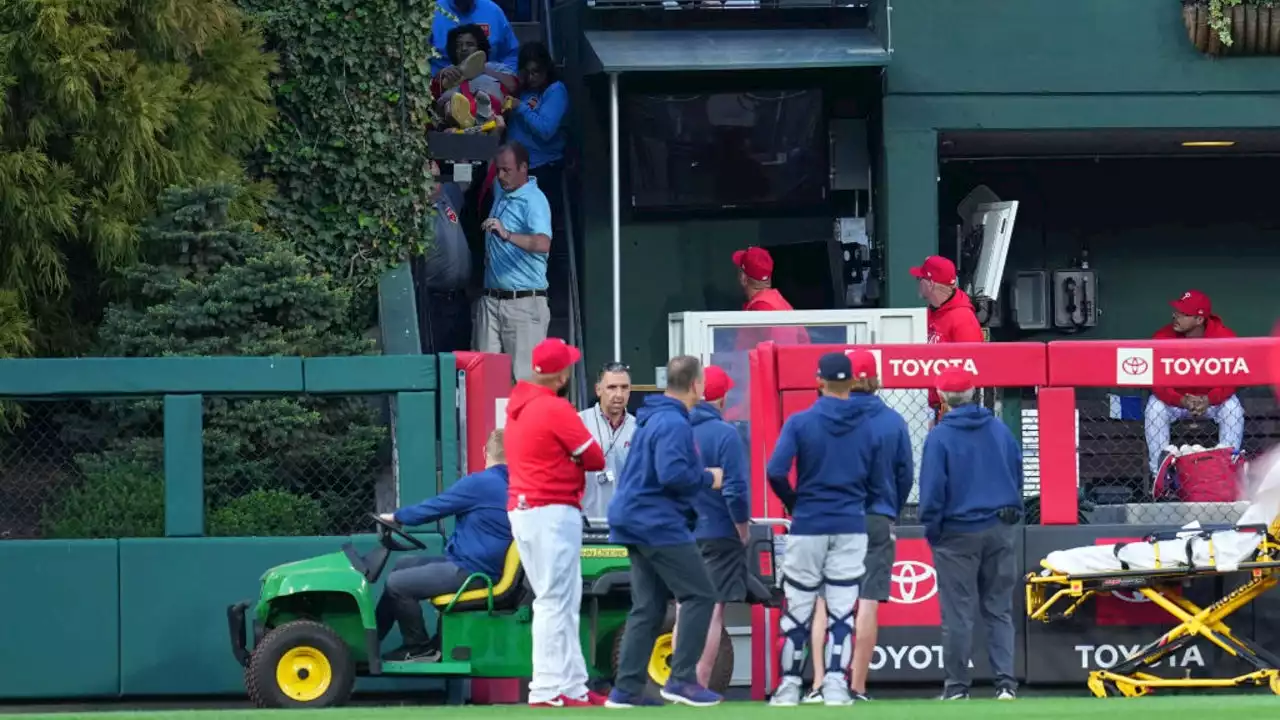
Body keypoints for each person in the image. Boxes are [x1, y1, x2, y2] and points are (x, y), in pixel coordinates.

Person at [606, 355, 726, 709]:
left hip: (633, 519)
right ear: (696, 385)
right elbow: (672, 474)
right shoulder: (673, 423)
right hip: (656, 522)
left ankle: (626, 690)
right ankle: (683, 680)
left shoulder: (654, 417)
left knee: (649, 606)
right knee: (700, 594)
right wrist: (709, 477)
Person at [765, 351, 879, 707]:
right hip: (850, 523)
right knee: (843, 610)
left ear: (819, 380)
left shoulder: (800, 422)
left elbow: (775, 471)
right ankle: (834, 685)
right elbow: (880, 479)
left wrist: (796, 503)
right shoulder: (868, 426)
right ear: (851, 383)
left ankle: (788, 687)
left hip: (809, 523)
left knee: (798, 607)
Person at [802, 351, 914, 704]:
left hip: (830, 517)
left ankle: (820, 684)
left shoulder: (824, 418)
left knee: (823, 601)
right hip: (875, 518)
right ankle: (857, 687)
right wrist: (888, 511)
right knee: (867, 602)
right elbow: (905, 475)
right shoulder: (893, 421)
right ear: (875, 378)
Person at [503, 338, 608, 707]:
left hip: (530, 509)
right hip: (549, 510)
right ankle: (547, 689)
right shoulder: (553, 408)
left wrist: (567, 460)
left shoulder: (520, 404)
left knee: (564, 599)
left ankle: (573, 686)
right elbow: (595, 457)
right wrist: (572, 462)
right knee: (552, 600)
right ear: (561, 375)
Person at [917, 367, 1022, 701]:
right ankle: (1006, 685)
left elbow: (932, 491)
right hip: (1000, 527)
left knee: (958, 614)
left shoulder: (939, 436)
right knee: (998, 609)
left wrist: (932, 530)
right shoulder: (999, 428)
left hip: (956, 533)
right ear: (974, 392)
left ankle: (958, 688)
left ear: (944, 398)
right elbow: (1017, 474)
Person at [375, 429, 513, 662]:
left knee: (396, 584)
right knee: (403, 564)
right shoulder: (512, 485)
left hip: (474, 572)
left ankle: (418, 647)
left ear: (485, 452)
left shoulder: (480, 483)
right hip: (482, 566)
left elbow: (435, 507)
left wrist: (397, 517)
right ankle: (372, 642)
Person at [681, 364, 751, 689]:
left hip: (679, 535)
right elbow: (735, 490)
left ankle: (680, 682)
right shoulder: (726, 434)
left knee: (685, 607)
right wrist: (743, 529)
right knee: (711, 612)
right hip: (718, 533)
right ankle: (697, 686)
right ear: (722, 399)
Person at [1144, 289, 1244, 478]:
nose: (1176, 316)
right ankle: (1160, 473)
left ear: (1199, 320)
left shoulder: (1224, 337)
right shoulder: (1162, 337)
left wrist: (1209, 399)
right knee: (1154, 408)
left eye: (1184, 314)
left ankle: (1229, 467)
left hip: (1211, 403)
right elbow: (1156, 383)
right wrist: (1180, 400)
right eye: (1176, 311)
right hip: (1177, 403)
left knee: (1233, 408)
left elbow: (1233, 379)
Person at [505, 42, 572, 321]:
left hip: (544, 172)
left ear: (546, 71)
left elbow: (546, 130)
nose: (532, 77)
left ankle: (553, 299)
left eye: (537, 72)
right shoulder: (520, 91)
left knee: (546, 236)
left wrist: (520, 108)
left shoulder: (555, 91)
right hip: (514, 175)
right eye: (527, 72)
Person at [476, 142, 553, 381]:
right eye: (498, 170)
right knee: (484, 382)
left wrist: (506, 235)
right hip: (491, 301)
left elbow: (543, 244)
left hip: (523, 304)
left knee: (525, 383)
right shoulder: (503, 190)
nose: (500, 176)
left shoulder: (534, 200)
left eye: (506, 170)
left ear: (523, 168)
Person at [910, 255, 985, 417]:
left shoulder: (963, 319)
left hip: (957, 409)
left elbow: (972, 372)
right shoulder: (931, 312)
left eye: (920, 278)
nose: (917, 282)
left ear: (930, 284)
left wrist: (947, 412)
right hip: (935, 406)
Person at [415, 162, 472, 354]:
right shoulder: (415, 211)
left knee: (462, 359)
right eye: (429, 179)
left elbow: (466, 174)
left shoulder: (448, 195)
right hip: (434, 300)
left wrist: (454, 144)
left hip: (459, 299)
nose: (435, 184)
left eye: (437, 177)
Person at [578, 361, 636, 521]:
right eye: (612, 387)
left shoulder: (638, 429)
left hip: (625, 522)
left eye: (624, 388)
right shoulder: (578, 423)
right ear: (598, 390)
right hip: (585, 520)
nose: (619, 394)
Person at [432, 24, 519, 129]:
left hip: (491, 125)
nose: (463, 48)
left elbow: (513, 86)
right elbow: (431, 97)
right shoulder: (449, 71)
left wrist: (482, 70)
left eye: (470, 44)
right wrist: (440, 76)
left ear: (480, 47)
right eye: (459, 45)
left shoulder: (495, 68)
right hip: (455, 132)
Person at [430, 0, 519, 75]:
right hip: (443, 87)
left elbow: (512, 54)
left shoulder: (493, 11)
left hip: (489, 84)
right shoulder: (431, 12)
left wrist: (500, 78)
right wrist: (439, 77)